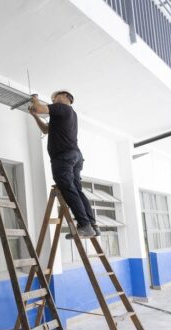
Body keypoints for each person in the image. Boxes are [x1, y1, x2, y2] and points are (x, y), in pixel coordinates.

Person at [29, 90, 100, 238]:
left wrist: (34, 98)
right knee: (77, 190)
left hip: (63, 157)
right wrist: (35, 116)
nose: (53, 101)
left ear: (66, 96)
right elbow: (46, 129)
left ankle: (85, 225)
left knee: (68, 188)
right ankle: (92, 225)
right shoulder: (67, 114)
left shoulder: (62, 108)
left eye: (55, 98)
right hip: (75, 156)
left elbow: (38, 107)